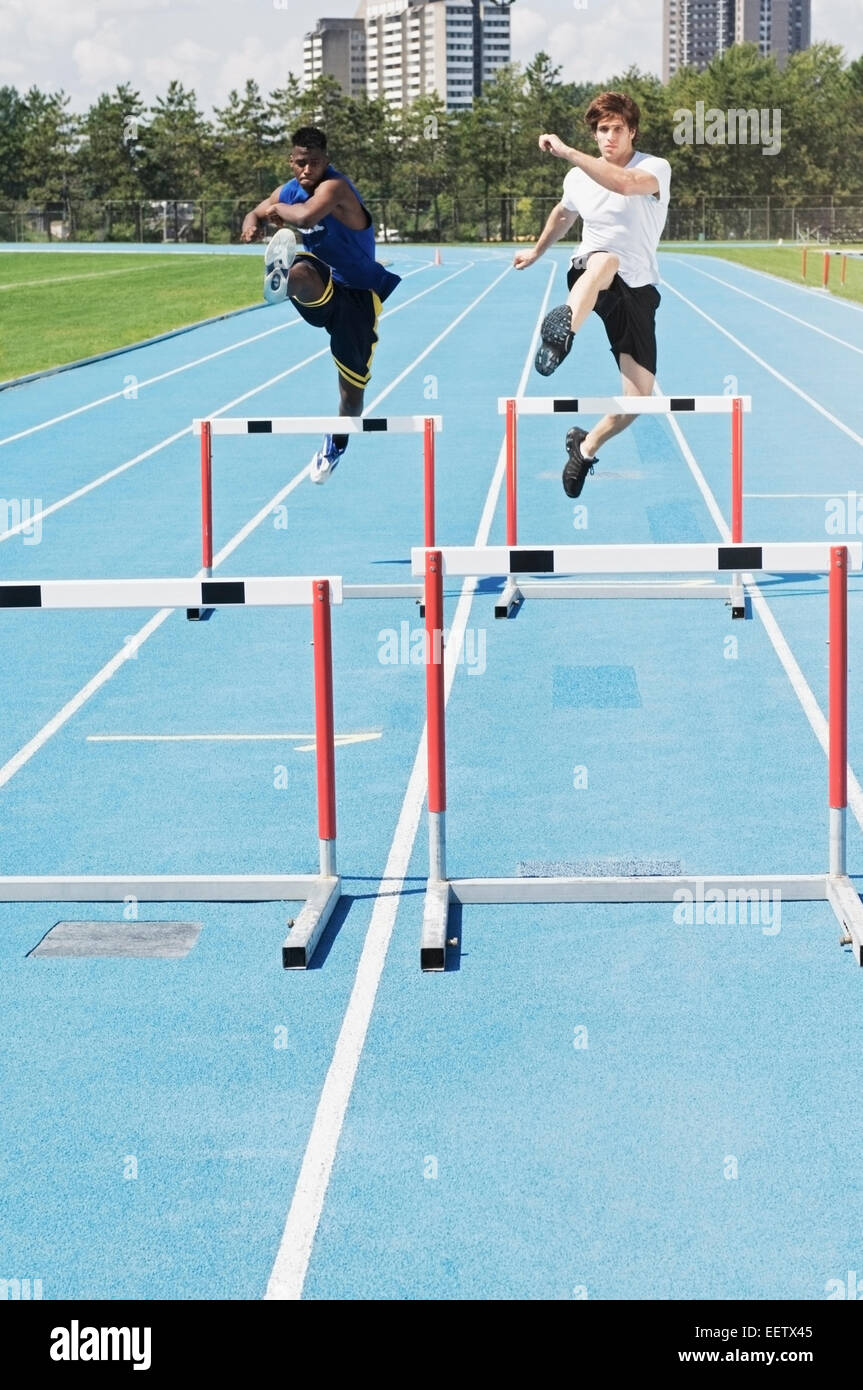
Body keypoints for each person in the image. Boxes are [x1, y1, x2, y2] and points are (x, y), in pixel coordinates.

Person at [514, 92, 671, 499]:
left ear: (631, 132)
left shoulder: (654, 168)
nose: (609, 137)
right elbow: (564, 214)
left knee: (639, 399)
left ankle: (585, 447)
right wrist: (536, 251)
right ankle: (562, 332)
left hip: (637, 290)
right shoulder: (577, 178)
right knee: (604, 261)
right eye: (603, 130)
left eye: (617, 129)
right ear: (596, 133)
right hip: (593, 275)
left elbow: (622, 183)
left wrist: (568, 152)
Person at [240, 126, 401, 482]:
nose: (307, 170)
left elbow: (306, 217)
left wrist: (276, 210)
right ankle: (283, 283)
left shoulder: (335, 187)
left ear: (326, 161)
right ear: (291, 161)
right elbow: (256, 211)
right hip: (324, 279)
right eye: (300, 163)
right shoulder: (289, 189)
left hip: (359, 295)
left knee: (351, 395)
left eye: (314, 163)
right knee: (303, 269)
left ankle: (336, 443)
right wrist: (252, 222)